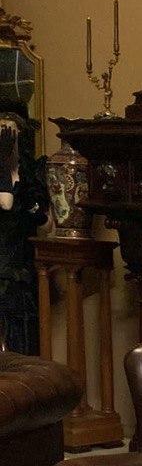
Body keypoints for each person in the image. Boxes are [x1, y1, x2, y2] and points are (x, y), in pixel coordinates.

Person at [0, 98, 49, 354]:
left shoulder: (32, 170)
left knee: (25, 339)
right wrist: (3, 165)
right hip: (3, 266)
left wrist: (35, 208)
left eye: (10, 133)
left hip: (24, 266)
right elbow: (5, 203)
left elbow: (46, 222)